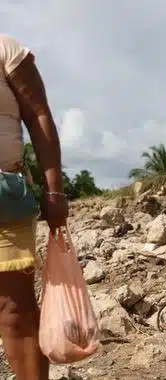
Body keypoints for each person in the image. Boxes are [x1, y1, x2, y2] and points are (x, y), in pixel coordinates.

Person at [0, 34, 68, 379]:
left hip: (4, 200)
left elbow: (39, 114)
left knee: (15, 311)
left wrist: (53, 189)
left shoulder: (6, 51)